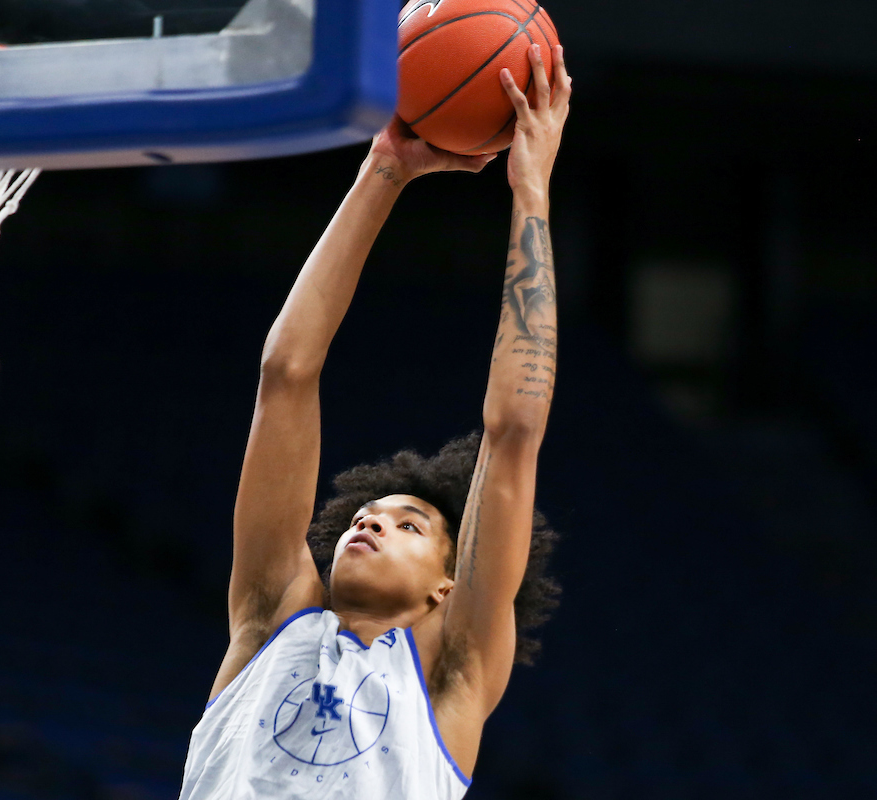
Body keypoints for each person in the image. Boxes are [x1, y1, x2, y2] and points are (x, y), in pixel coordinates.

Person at [179, 43, 571, 799]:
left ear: (446, 590)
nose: (370, 523)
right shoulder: (271, 622)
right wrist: (384, 167)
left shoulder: (452, 681)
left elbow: (513, 433)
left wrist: (531, 192)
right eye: (370, 513)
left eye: (409, 526)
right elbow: (286, 375)